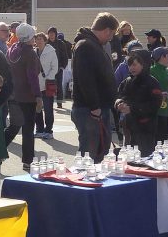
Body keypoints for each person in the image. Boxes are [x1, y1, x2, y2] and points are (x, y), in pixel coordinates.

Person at [71, 13, 118, 163]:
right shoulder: (86, 46)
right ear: (107, 31)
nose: (111, 38)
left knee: (98, 151)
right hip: (90, 110)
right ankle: (85, 181)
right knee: (90, 153)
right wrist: (94, 106)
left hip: (94, 108)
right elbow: (86, 79)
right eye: (112, 34)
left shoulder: (92, 45)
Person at [4, 24, 40, 170]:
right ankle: (27, 160)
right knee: (27, 129)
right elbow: (33, 77)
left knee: (14, 126)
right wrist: (38, 96)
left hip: (13, 94)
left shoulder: (11, 49)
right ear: (29, 37)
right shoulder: (30, 53)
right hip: (27, 96)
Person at [115, 50, 161, 156]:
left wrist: (132, 108)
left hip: (146, 128)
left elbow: (154, 105)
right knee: (128, 158)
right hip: (129, 127)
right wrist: (119, 104)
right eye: (129, 65)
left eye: (135, 65)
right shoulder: (127, 81)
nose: (131, 68)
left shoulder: (152, 83)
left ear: (143, 64)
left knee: (144, 158)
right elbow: (118, 96)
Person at [34, 32, 59, 140]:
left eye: (40, 39)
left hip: (47, 84)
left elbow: (55, 67)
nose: (38, 41)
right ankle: (39, 129)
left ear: (45, 40)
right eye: (37, 39)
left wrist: (48, 78)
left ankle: (49, 130)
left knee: (48, 109)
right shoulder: (33, 51)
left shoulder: (51, 52)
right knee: (37, 108)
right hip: (35, 84)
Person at [47, 27, 72, 108]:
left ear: (55, 34)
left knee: (59, 86)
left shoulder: (61, 43)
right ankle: (49, 103)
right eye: (50, 33)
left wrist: (62, 66)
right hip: (48, 69)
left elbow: (64, 56)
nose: (51, 35)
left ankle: (59, 102)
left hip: (58, 68)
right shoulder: (46, 43)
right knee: (48, 86)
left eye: (53, 33)